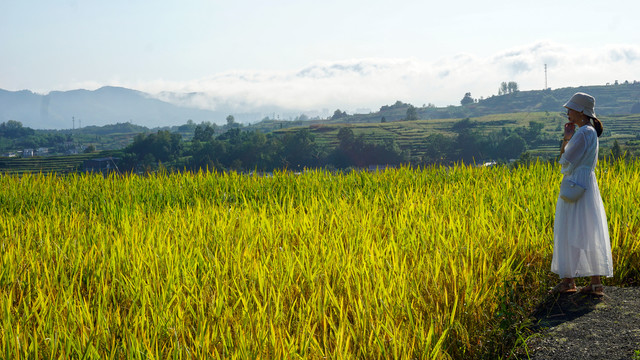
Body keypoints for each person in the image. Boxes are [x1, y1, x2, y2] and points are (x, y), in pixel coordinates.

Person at [549, 92, 613, 296]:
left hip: (575, 184)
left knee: (570, 228)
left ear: (581, 112)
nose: (567, 112)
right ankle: (595, 283)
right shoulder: (590, 131)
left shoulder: (583, 133)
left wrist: (566, 139)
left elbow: (566, 161)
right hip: (586, 185)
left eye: (570, 109)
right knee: (587, 229)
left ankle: (569, 281)